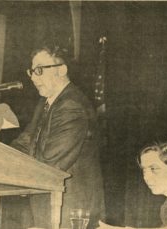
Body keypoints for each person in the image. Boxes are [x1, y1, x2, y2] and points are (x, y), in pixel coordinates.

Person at [10, 44, 105, 229]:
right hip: (50, 203)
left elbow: (52, 162)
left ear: (61, 70)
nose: (33, 78)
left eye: (39, 70)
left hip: (72, 209)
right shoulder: (46, 103)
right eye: (31, 72)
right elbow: (25, 142)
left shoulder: (71, 105)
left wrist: (10, 174)